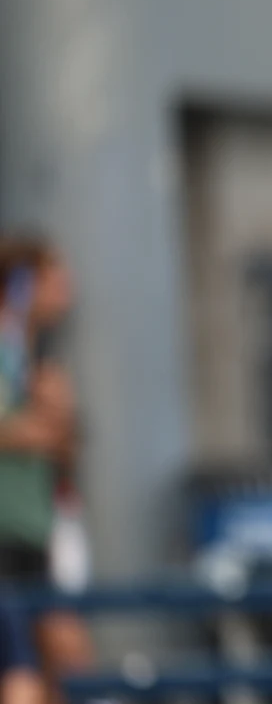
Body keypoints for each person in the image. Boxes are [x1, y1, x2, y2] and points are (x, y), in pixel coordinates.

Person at [0, 238, 95, 704]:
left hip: (33, 534)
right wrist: (50, 422)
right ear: (19, 285)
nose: (67, 290)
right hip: (6, 535)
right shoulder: (6, 349)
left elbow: (67, 447)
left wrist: (57, 420)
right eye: (52, 280)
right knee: (22, 673)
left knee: (63, 659)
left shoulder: (36, 355)